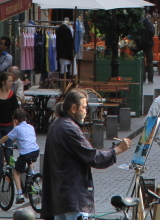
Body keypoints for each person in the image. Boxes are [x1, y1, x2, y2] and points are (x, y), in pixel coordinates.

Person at [40, 89, 130, 220]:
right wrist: (118, 149)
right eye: (83, 107)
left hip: (60, 197)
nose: (86, 111)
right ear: (73, 108)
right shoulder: (69, 128)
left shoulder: (56, 125)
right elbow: (93, 157)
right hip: (72, 196)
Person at [0, 108, 39, 202]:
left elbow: (6, 137)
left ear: (16, 120)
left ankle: (20, 194)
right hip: (35, 151)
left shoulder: (17, 128)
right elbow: (27, 139)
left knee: (15, 172)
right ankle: (32, 174)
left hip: (25, 153)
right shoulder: (31, 127)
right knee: (29, 157)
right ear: (26, 118)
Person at [138, 12, 156, 83]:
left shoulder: (138, 23)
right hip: (148, 44)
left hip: (140, 44)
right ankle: (150, 79)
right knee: (150, 62)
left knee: (142, 61)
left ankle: (143, 78)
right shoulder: (148, 22)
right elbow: (152, 32)